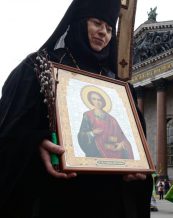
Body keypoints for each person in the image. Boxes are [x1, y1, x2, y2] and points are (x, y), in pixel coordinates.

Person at [0, 0, 153, 217]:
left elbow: (133, 141)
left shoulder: (119, 86)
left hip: (109, 203)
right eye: (97, 23)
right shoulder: (38, 67)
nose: (103, 33)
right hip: (57, 199)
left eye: (109, 29)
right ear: (80, 22)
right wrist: (35, 142)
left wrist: (136, 166)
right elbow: (8, 129)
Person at [78, 90, 134, 159]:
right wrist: (92, 133)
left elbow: (122, 138)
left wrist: (122, 144)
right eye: (94, 99)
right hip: (96, 153)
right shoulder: (88, 116)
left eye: (99, 100)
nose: (97, 102)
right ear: (90, 100)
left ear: (103, 101)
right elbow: (81, 136)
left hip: (114, 154)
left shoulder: (112, 119)